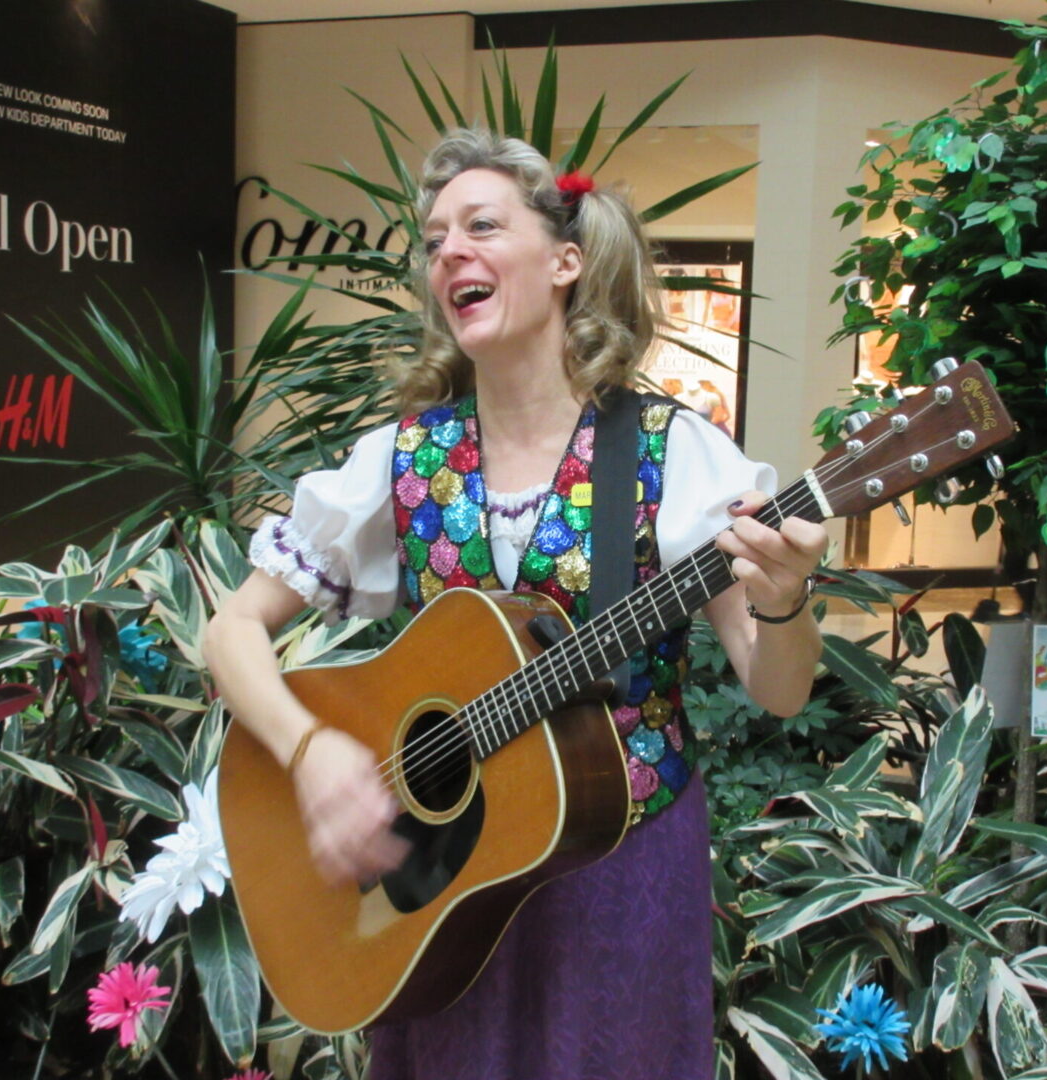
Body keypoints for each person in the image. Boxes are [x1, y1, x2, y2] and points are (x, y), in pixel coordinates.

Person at [202, 127, 826, 1080]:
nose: (450, 250)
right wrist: (312, 748)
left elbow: (778, 691)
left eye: (482, 226)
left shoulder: (673, 454)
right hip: (441, 889)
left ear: (566, 261)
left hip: (619, 877)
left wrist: (783, 602)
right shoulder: (402, 461)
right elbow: (232, 631)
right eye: (436, 237)